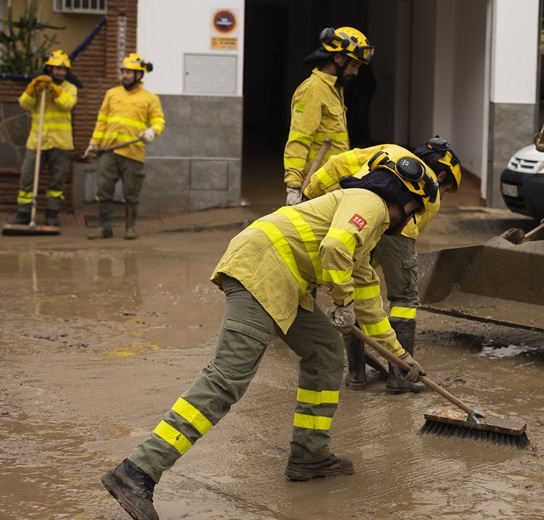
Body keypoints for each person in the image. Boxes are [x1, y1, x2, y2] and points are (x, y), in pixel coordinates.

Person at [101, 152, 437, 520]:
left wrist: (400, 358)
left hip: (288, 283)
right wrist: (342, 301)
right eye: (413, 210)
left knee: (325, 351)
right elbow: (335, 248)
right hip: (263, 268)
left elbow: (370, 303)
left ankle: (309, 455)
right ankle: (137, 471)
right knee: (227, 378)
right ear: (405, 200)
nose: (409, 219)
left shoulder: (367, 233)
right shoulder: (369, 202)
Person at [303, 136, 462, 394]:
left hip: (355, 219)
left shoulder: (389, 150)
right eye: (447, 188)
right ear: (442, 175)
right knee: (404, 300)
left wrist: (309, 195)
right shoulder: (430, 191)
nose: (443, 195)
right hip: (395, 232)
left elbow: (337, 163)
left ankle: (356, 374)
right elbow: (404, 229)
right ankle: (399, 375)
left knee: (354, 294)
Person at [284, 26, 374, 205]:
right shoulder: (312, 90)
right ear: (339, 58)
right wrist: (294, 187)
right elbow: (299, 140)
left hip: (332, 184)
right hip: (314, 187)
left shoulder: (334, 90)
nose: (356, 73)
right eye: (354, 65)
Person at [84, 53, 165, 240]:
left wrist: (152, 132)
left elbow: (159, 120)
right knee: (104, 189)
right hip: (109, 151)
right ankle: (104, 228)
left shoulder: (150, 99)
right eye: (124, 71)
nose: (125, 75)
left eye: (129, 72)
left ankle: (130, 228)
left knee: (131, 192)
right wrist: (93, 143)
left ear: (139, 75)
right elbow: (101, 121)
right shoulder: (112, 94)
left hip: (133, 152)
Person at [12, 49, 77, 227]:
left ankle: (52, 214)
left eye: (64, 70)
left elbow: (67, 105)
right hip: (37, 141)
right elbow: (24, 103)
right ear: (49, 69)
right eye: (57, 69)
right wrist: (32, 89)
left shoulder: (70, 88)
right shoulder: (38, 87)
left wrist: (53, 89)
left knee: (57, 180)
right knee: (27, 178)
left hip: (61, 143)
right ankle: (24, 213)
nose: (60, 72)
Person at [343, 63, 377, 148]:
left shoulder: (363, 64)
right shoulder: (363, 64)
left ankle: (364, 140)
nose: (355, 72)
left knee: (361, 116)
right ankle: (361, 140)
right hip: (359, 93)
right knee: (358, 116)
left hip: (363, 93)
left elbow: (367, 82)